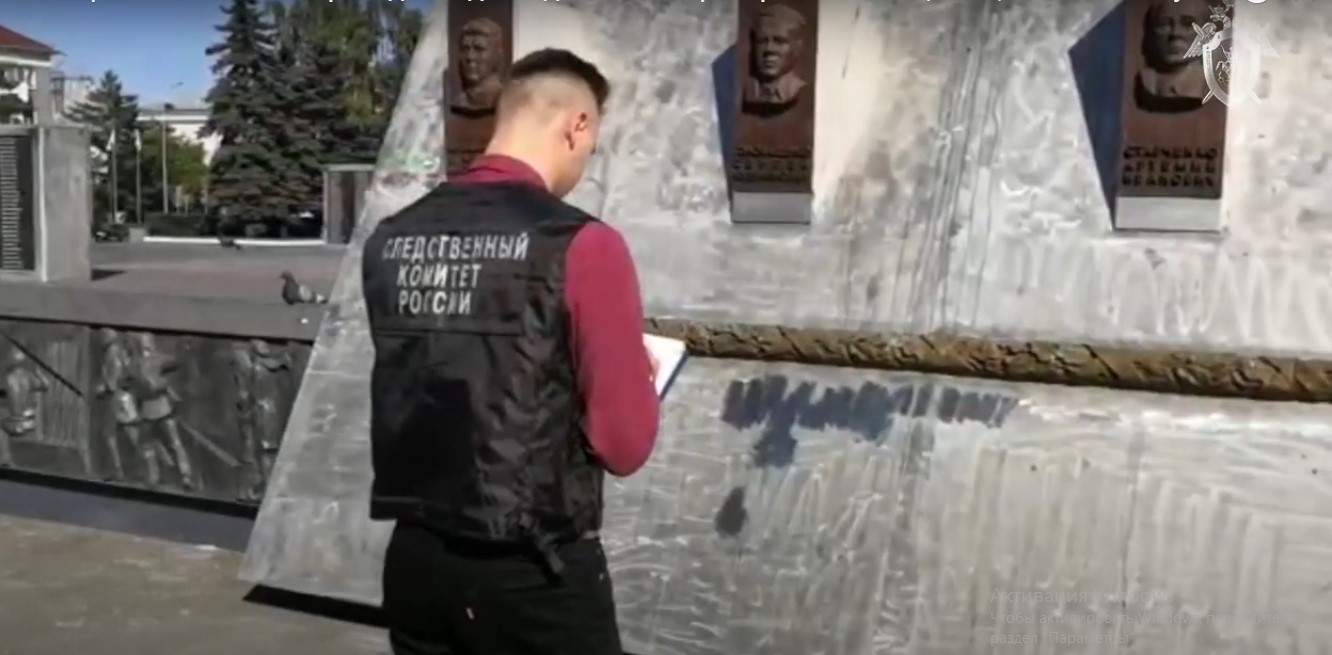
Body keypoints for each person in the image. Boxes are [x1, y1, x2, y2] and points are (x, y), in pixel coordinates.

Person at [361, 48, 661, 655]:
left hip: (416, 559)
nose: (585, 162)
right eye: (592, 144)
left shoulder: (392, 238)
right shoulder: (581, 243)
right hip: (533, 571)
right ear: (576, 125)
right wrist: (638, 378)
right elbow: (624, 445)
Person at [1134, 0, 1209, 113]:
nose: (1175, 33)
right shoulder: (1145, 81)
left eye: (1188, 24)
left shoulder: (1209, 84)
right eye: (1163, 24)